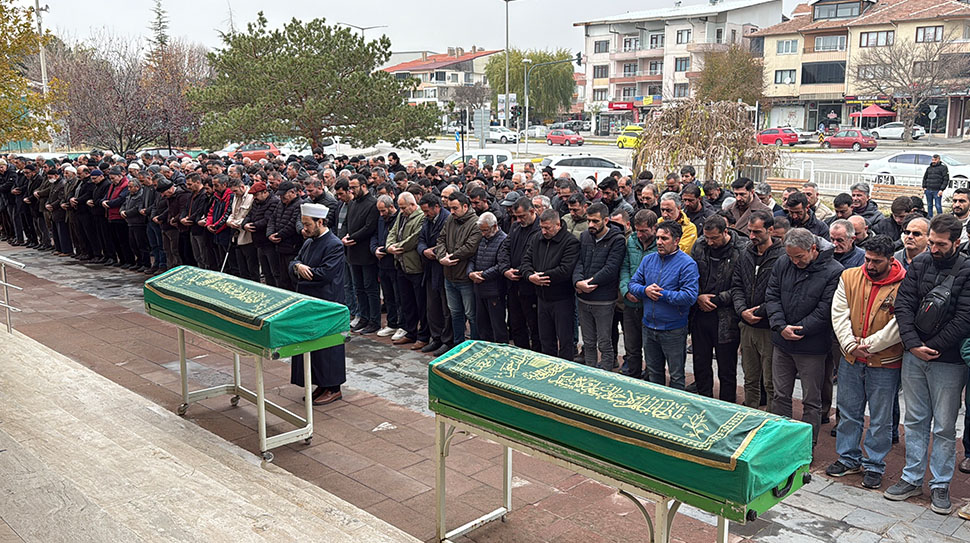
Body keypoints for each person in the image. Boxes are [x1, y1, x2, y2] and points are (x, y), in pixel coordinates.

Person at [887, 214, 970, 516]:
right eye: (931, 242)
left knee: (946, 426)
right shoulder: (920, 263)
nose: (933, 248)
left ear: (957, 242)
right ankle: (911, 477)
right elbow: (903, 304)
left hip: (947, 362)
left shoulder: (967, 270)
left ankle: (940, 484)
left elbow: (964, 319)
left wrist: (930, 347)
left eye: (940, 244)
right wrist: (912, 344)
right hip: (914, 355)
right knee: (915, 420)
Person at [826, 235, 905, 490]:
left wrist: (869, 347)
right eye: (868, 259)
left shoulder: (904, 283)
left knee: (881, 417)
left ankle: (874, 465)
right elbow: (839, 312)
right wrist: (850, 345)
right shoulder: (849, 276)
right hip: (851, 357)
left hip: (885, 360)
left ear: (891, 260)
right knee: (848, 410)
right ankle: (848, 457)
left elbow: (900, 323)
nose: (870, 265)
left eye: (877, 261)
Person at [765, 228, 843, 445]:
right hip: (782, 342)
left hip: (812, 346)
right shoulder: (783, 263)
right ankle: (779, 442)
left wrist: (799, 329)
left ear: (814, 249)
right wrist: (780, 326)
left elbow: (826, 310)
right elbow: (772, 295)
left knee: (811, 400)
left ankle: (807, 446)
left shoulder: (835, 271)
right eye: (791, 257)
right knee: (780, 395)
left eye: (800, 257)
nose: (795, 262)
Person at [628, 221, 699, 390]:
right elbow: (633, 284)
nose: (659, 241)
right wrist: (645, 290)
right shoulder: (648, 259)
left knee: (676, 375)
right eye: (658, 237)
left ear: (676, 240)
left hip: (673, 330)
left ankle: (676, 410)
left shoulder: (687, 264)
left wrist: (661, 295)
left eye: (664, 238)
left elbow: (690, 296)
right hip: (648, 326)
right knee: (654, 373)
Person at [288, 202, 346, 406]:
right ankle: (321, 384)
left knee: (328, 348)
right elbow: (294, 262)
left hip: (327, 303)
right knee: (313, 347)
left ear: (320, 222)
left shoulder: (334, 244)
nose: (304, 228)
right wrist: (297, 267)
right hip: (310, 301)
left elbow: (324, 274)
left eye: (307, 224)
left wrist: (303, 271)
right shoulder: (309, 241)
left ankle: (333, 388)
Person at [690, 215, 746, 402]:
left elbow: (743, 286)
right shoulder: (699, 246)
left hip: (726, 315)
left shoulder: (742, 250)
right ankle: (703, 398)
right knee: (700, 362)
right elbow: (690, 275)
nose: (710, 242)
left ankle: (727, 403)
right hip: (700, 312)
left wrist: (717, 299)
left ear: (725, 232)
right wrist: (698, 295)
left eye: (714, 238)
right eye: (707, 237)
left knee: (726, 366)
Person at [732, 210, 784, 409]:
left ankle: (770, 421)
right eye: (750, 232)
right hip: (746, 325)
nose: (752, 236)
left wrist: (759, 312)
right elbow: (737, 285)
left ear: (770, 230)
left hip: (768, 327)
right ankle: (750, 413)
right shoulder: (745, 253)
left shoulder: (782, 257)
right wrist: (742, 310)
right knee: (749, 377)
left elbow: (781, 293)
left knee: (771, 381)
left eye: (757, 232)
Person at [520, 209, 580, 361]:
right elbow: (525, 261)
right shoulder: (536, 238)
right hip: (541, 297)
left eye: (547, 228)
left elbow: (565, 269)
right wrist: (529, 276)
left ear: (558, 225)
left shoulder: (570, 241)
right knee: (546, 339)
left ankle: (567, 369)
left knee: (565, 340)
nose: (544, 231)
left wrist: (541, 276)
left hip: (562, 298)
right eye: (542, 227)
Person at [573, 202, 626, 371]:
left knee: (604, 342)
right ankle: (590, 373)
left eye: (595, 221)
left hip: (603, 299)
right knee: (588, 342)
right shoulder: (585, 237)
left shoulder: (617, 240)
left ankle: (605, 376)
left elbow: (611, 268)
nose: (591, 225)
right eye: (589, 220)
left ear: (606, 220)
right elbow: (578, 262)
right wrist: (577, 282)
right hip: (583, 297)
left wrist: (589, 282)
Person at [436, 192, 482, 346]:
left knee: (471, 315)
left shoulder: (475, 223)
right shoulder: (450, 219)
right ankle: (457, 345)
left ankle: (473, 347)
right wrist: (442, 256)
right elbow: (441, 239)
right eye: (450, 208)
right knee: (455, 313)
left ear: (465, 206)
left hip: (464, 277)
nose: (452, 212)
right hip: (449, 276)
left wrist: (451, 257)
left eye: (455, 208)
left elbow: (470, 247)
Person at [385, 191, 428, 349]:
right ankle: (410, 332)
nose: (401, 211)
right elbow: (393, 232)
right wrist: (389, 246)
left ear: (412, 204)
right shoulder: (401, 215)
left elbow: (415, 238)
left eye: (404, 208)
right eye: (400, 208)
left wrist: (398, 247)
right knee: (407, 302)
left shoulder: (421, 216)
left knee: (420, 303)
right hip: (401, 265)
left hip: (415, 266)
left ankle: (423, 335)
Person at [619, 210, 657, 378]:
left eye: (644, 231)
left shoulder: (661, 244)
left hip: (650, 305)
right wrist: (626, 290)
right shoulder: (631, 241)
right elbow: (625, 268)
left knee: (651, 349)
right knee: (631, 346)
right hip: (630, 303)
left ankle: (651, 378)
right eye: (637, 230)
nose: (640, 234)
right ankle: (633, 375)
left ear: (654, 228)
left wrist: (642, 292)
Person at [417, 193, 454, 355]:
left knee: (446, 308)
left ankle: (447, 340)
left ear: (436, 207)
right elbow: (420, 240)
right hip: (430, 268)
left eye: (427, 211)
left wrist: (437, 253)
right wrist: (424, 250)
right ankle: (436, 338)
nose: (425, 214)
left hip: (444, 269)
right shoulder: (427, 220)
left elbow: (446, 242)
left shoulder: (447, 219)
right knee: (432, 307)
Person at [504, 197, 542, 352]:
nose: (519, 220)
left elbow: (534, 257)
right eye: (516, 217)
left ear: (532, 211)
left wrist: (520, 271)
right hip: (512, 283)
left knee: (535, 326)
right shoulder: (515, 227)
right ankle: (520, 352)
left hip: (530, 286)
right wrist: (505, 269)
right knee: (516, 323)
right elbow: (505, 248)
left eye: (522, 216)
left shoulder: (540, 229)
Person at [343, 174, 380, 334]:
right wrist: (345, 236)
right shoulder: (352, 203)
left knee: (370, 288)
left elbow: (369, 227)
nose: (351, 190)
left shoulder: (372, 204)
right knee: (358, 288)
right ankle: (363, 317)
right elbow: (346, 223)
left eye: (353, 187)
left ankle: (374, 320)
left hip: (366, 253)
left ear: (363, 186)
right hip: (352, 251)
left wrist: (352, 237)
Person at [469, 212, 509, 343]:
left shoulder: (504, 239)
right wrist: (470, 273)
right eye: (481, 230)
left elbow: (501, 265)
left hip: (494, 290)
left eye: (485, 230)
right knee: (482, 325)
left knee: (497, 326)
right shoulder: (482, 239)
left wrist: (483, 275)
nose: (483, 233)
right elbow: (472, 259)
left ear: (494, 226)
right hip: (479, 288)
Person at [372, 195, 403, 339]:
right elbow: (375, 235)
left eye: (383, 211)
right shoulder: (381, 219)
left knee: (399, 296)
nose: (381, 214)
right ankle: (392, 323)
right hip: (382, 263)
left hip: (395, 263)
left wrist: (384, 249)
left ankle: (401, 324)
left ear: (391, 207)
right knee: (388, 296)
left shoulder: (399, 218)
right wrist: (374, 249)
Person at [267, 181, 305, 290]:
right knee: (282, 279)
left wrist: (278, 235)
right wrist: (270, 234)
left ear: (292, 192)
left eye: (283, 195)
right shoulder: (280, 204)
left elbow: (292, 225)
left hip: (292, 247)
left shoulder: (300, 204)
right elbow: (272, 219)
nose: (281, 197)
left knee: (292, 279)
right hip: (280, 247)